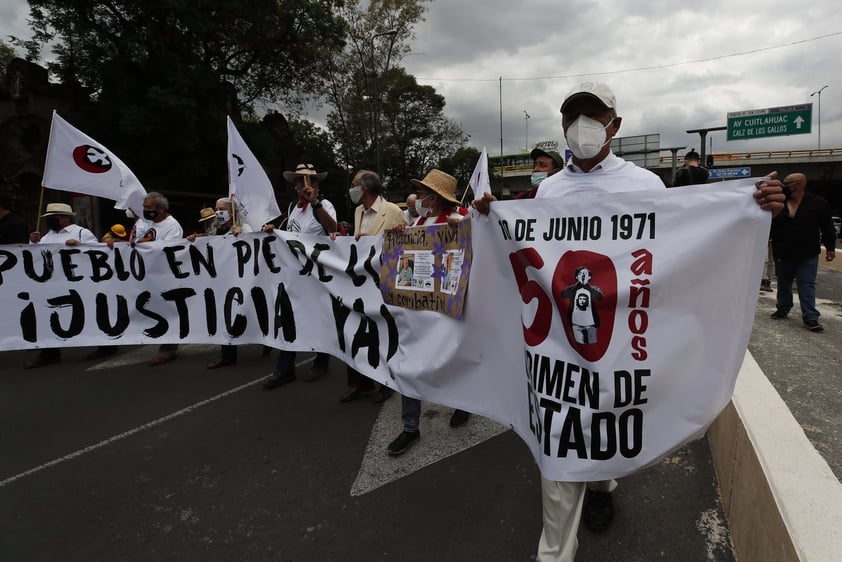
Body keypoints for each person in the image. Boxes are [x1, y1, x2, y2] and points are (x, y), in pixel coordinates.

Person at [473, 81, 785, 562]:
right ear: (562, 127)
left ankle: (602, 485)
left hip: (621, 337)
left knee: (604, 418)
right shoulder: (550, 189)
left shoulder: (645, 185)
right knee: (561, 438)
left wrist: (752, 207)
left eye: (594, 115)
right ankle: (554, 553)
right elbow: (530, 253)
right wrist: (490, 219)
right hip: (559, 343)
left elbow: (676, 252)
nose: (583, 126)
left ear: (615, 125)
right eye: (573, 116)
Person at [386, 169, 473, 457]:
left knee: (452, 358)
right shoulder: (419, 221)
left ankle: (465, 403)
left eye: (423, 194)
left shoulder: (462, 215)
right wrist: (400, 234)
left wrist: (463, 225)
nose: (419, 199)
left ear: (435, 198)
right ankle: (410, 427)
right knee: (408, 363)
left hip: (448, 308)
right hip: (418, 309)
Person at [335, 170, 407, 404]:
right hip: (358, 283)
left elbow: (405, 247)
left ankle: (386, 382)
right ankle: (359, 383)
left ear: (364, 188)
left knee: (382, 332)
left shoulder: (393, 212)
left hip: (381, 283)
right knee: (354, 329)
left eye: (354, 184)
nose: (351, 188)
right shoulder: (357, 211)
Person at [262, 163, 337, 389]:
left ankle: (321, 361)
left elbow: (332, 227)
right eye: (298, 181)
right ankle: (284, 368)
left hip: (314, 276)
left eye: (307, 180)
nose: (301, 185)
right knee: (287, 318)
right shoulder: (295, 207)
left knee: (318, 319)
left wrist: (315, 202)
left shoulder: (324, 205)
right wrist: (273, 231)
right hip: (292, 274)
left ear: (315, 184)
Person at [24, 203, 98, 368]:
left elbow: (96, 251)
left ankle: (106, 344)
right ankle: (50, 352)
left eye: (54, 217)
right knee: (50, 314)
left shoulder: (81, 232)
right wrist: (32, 242)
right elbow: (33, 257)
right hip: (53, 283)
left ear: (65, 218)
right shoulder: (46, 237)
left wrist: (80, 246)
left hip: (78, 283)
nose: (51, 220)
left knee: (88, 311)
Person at [769, 173, 836, 331]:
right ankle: (783, 308)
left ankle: (810, 317)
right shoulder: (779, 203)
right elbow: (769, 225)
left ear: (798, 185)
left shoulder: (818, 203)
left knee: (806, 284)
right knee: (783, 282)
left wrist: (831, 248)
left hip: (808, 252)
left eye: (787, 183)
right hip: (783, 251)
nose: (784, 186)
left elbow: (827, 227)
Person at [135, 192, 185, 366]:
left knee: (168, 311)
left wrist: (142, 247)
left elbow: (168, 250)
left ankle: (168, 349)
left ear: (161, 209)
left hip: (166, 277)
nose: (145, 210)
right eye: (144, 207)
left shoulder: (172, 226)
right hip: (150, 276)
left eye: (148, 208)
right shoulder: (150, 225)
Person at [203, 197, 252, 369]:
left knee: (245, 314)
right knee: (225, 315)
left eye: (221, 209)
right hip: (222, 280)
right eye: (216, 209)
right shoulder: (216, 229)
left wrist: (242, 235)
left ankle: (264, 341)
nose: (217, 213)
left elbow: (252, 247)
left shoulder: (244, 228)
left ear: (232, 211)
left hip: (240, 280)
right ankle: (227, 354)